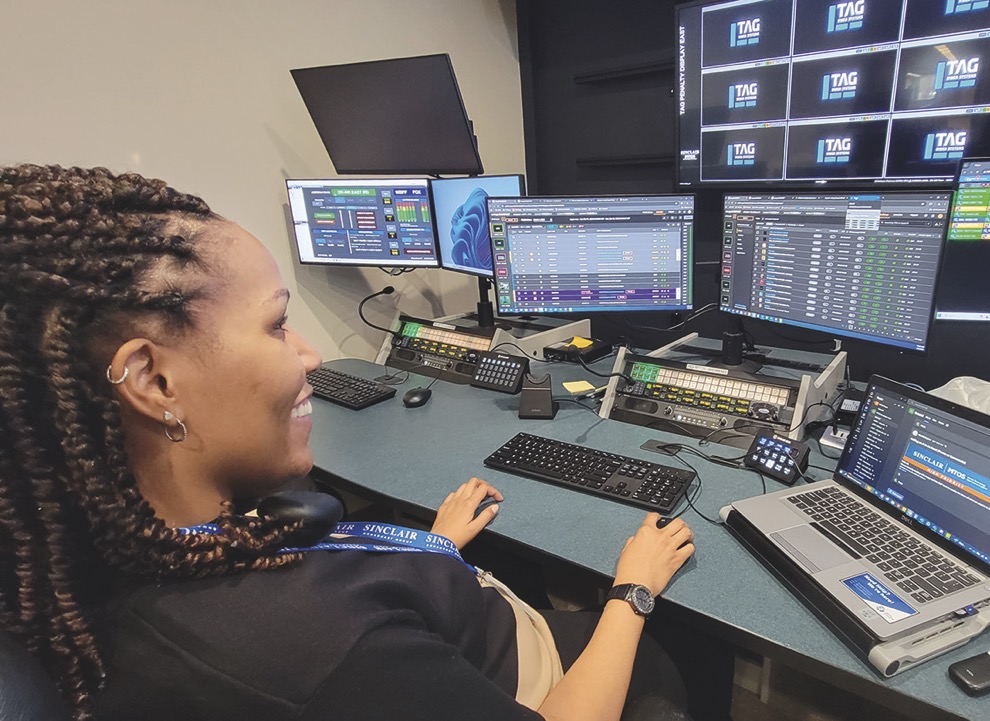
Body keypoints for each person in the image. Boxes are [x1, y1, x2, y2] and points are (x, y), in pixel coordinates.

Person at [0, 165, 697, 721]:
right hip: (530, 673)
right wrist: (631, 589)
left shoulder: (112, 552)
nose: (308, 354)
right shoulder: (328, 651)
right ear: (153, 380)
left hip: (454, 610)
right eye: (276, 324)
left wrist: (433, 546)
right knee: (668, 655)